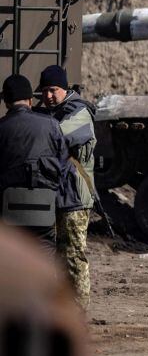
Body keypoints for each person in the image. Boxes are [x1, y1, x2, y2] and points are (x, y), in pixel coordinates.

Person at [35, 65, 95, 308]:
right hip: (53, 195)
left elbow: (55, 138)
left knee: (73, 257)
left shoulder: (79, 112)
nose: (48, 96)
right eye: (44, 92)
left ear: (65, 88)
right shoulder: (48, 114)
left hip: (74, 198)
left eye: (53, 90)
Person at [0, 74, 79, 253]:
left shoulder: (2, 127)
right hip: (44, 207)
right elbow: (65, 168)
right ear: (30, 100)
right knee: (44, 256)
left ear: (6, 102)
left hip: (8, 210)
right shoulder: (51, 125)